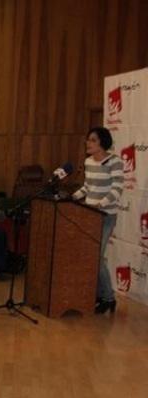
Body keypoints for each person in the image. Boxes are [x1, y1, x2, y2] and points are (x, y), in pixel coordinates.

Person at [72, 127, 124, 314]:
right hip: (89, 215)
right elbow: (87, 187)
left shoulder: (115, 162)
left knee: (96, 257)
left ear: (102, 142)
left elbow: (117, 189)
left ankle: (108, 298)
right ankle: (97, 294)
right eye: (88, 139)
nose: (88, 143)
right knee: (90, 256)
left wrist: (100, 205)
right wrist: (73, 197)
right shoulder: (88, 162)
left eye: (92, 140)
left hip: (105, 216)